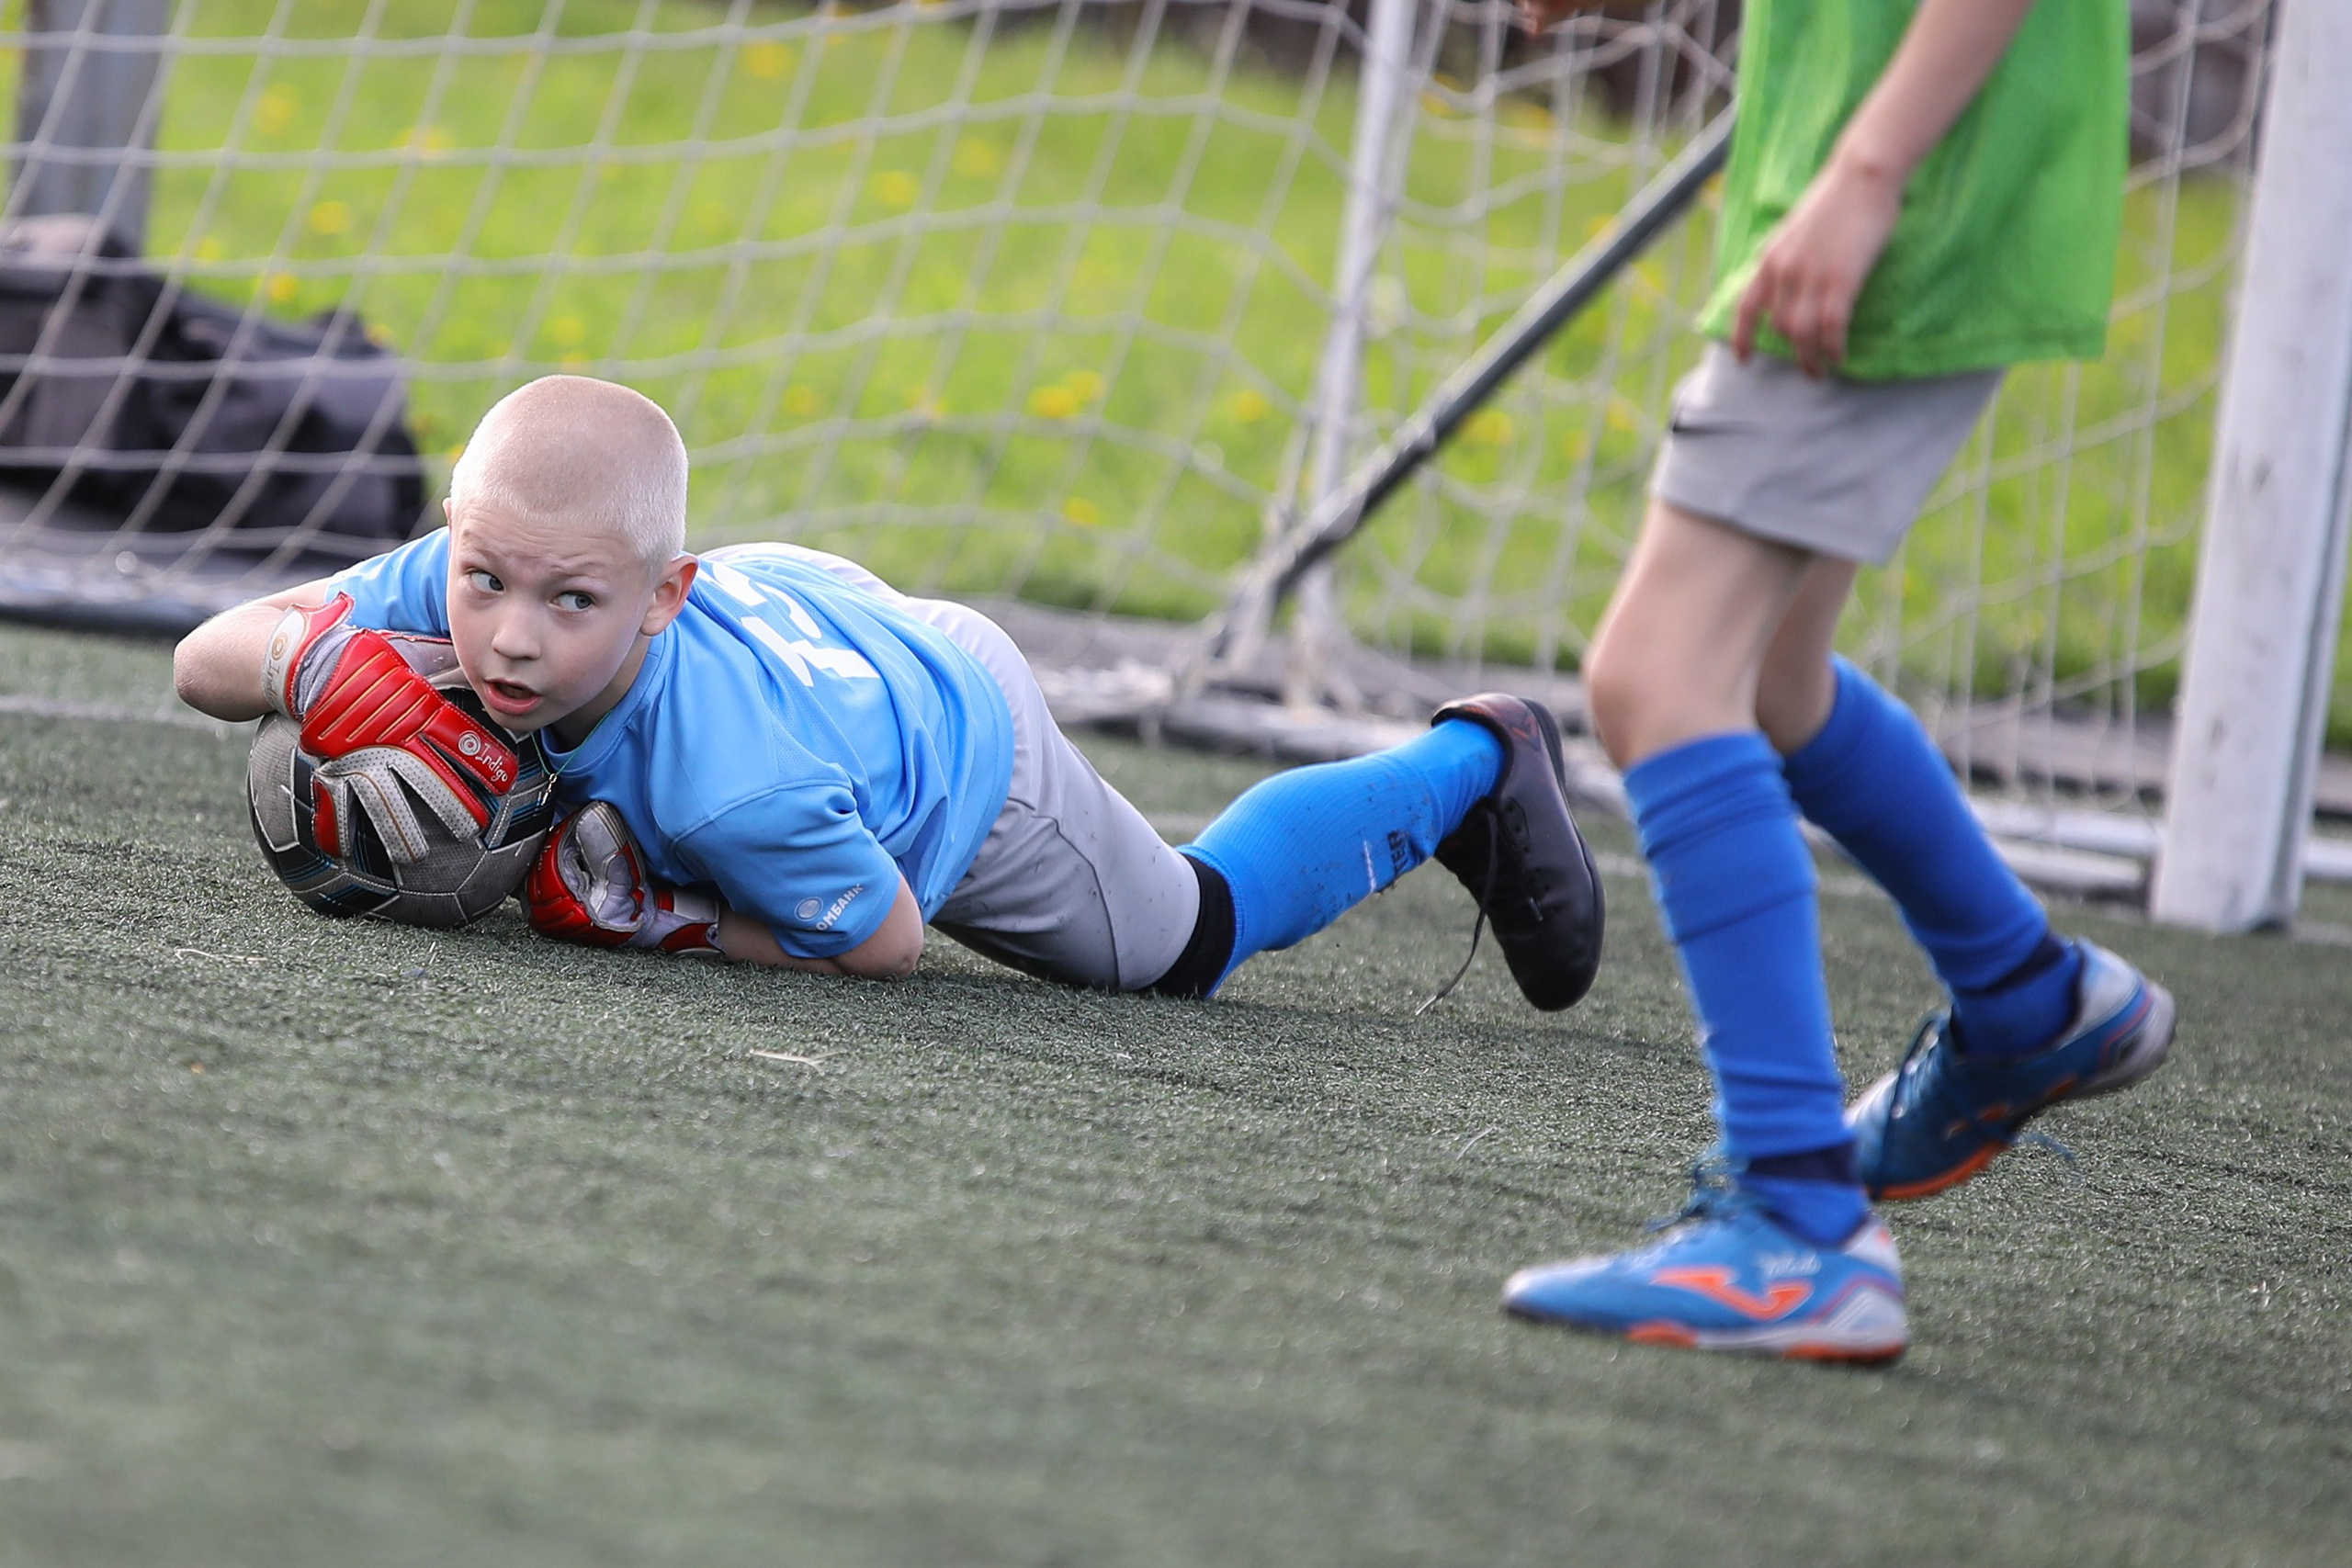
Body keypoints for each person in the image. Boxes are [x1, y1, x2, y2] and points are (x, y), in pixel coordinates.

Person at [1497, 0, 2174, 1361]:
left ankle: (1799, 1226)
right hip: (1907, 184)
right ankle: (2028, 997)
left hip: (1906, 192)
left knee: (1660, 672)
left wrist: (1867, 179)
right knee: (1765, 679)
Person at [174, 375, 1603, 1010]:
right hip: (801, 615)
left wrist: (656, 920)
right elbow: (204, 660)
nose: (510, 644)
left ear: (662, 596)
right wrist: (315, 659)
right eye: (487, 584)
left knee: (1187, 942)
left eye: (572, 604)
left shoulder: (733, 787)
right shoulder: (465, 575)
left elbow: (886, 939)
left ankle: (1475, 763)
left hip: (955, 750)